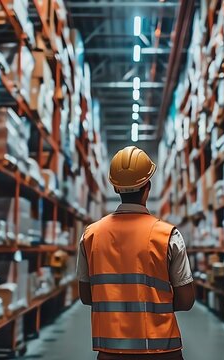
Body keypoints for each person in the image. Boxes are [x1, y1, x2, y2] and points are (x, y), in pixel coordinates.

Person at [77, 146, 195, 360]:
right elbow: (186, 301)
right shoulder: (168, 235)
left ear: (115, 188)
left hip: (110, 352)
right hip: (162, 351)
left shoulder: (90, 235)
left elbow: (86, 297)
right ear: (147, 186)